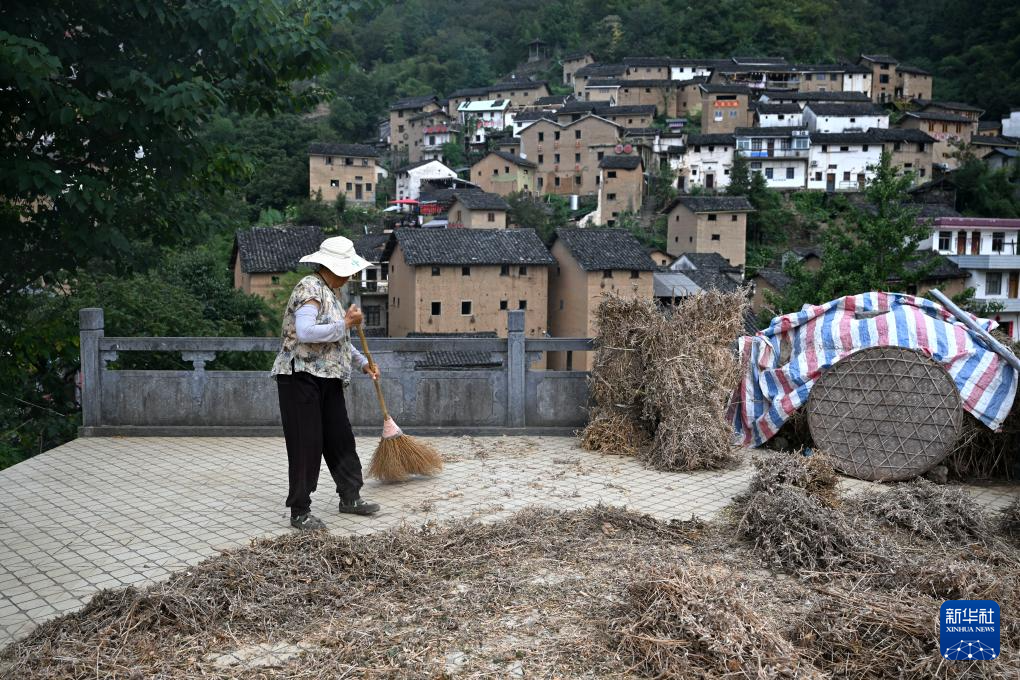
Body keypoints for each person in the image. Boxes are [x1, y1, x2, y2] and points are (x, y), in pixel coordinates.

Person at [270, 236, 382, 530]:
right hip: (300, 376)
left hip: (329, 377)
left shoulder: (332, 294)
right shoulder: (309, 287)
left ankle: (350, 497)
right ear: (334, 267)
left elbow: (339, 341)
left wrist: (363, 363)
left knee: (340, 437)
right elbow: (306, 332)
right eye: (349, 269)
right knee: (306, 443)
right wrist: (345, 324)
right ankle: (300, 510)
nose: (351, 275)